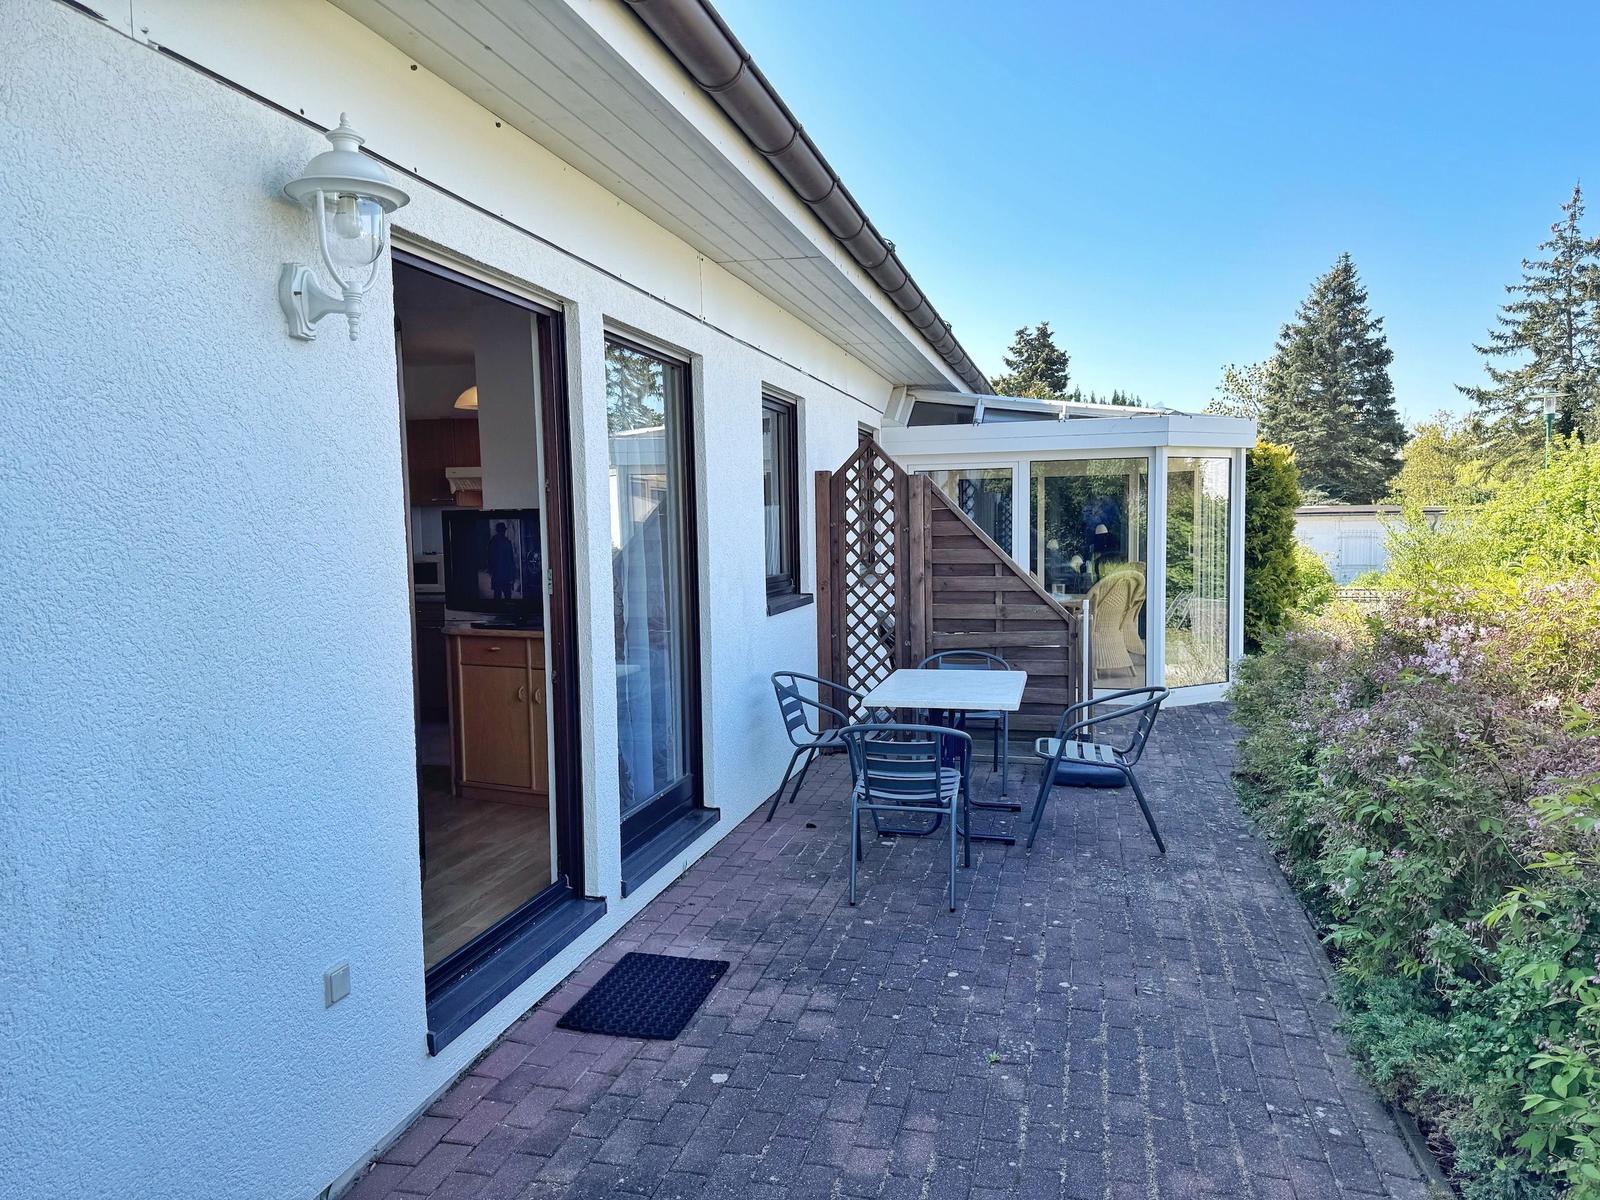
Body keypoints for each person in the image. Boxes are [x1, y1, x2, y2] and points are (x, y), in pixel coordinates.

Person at [487, 522, 519, 600]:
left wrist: (491, 569)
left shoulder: (493, 542)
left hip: (498, 573)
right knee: (506, 594)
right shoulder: (506, 542)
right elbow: (511, 560)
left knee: (498, 594)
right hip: (504, 573)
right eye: (503, 530)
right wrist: (512, 574)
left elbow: (489, 557)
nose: (503, 532)